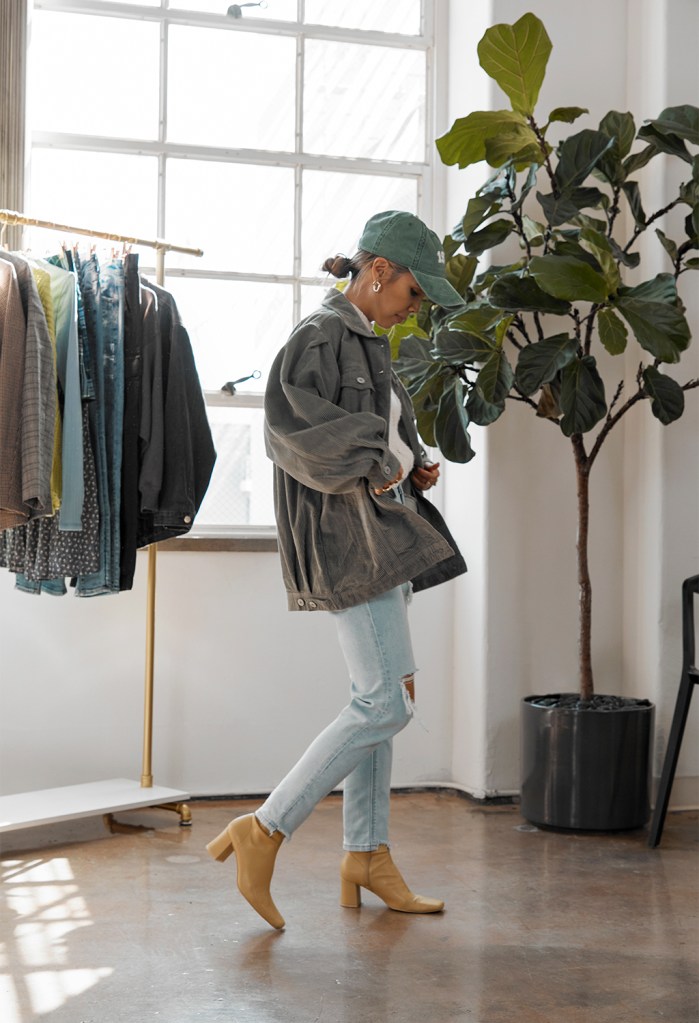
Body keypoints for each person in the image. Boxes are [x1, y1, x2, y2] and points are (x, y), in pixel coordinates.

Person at [206, 210, 467, 929]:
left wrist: (411, 459)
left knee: (382, 697)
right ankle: (263, 829)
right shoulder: (319, 336)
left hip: (385, 533)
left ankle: (367, 854)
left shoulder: (371, 342)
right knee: (385, 702)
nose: (413, 309)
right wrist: (378, 458)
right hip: (346, 539)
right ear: (378, 269)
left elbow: (381, 430)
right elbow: (289, 430)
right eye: (412, 292)